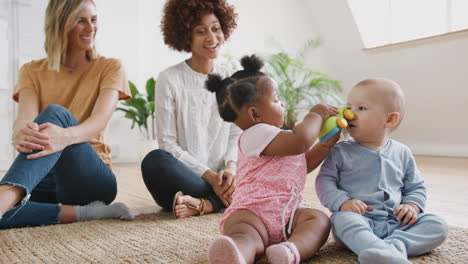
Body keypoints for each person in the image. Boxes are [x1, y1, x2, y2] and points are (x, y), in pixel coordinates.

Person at [0, 0, 133, 229]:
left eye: (93, 19)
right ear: (60, 24)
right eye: (80, 20)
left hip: (90, 179)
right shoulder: (31, 71)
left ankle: (5, 197)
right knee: (7, 213)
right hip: (43, 181)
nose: (91, 28)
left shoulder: (110, 67)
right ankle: (82, 213)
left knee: (55, 113)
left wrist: (65, 136)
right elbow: (25, 118)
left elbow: (99, 120)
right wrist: (19, 133)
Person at [206, 55, 337, 264]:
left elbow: (301, 164)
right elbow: (301, 141)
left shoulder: (278, 138)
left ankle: (290, 251)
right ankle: (238, 255)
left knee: (319, 220)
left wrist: (325, 145)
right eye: (276, 100)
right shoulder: (254, 135)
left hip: (288, 216)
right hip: (251, 214)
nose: (282, 103)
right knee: (244, 235)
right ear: (255, 115)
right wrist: (315, 114)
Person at [315, 78, 448, 264]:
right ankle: (378, 248)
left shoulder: (403, 152)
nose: (349, 114)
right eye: (348, 107)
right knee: (341, 221)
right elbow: (324, 181)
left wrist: (411, 205)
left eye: (361, 108)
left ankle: (392, 248)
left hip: (397, 222)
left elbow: (415, 186)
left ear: (390, 119)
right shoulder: (340, 151)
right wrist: (343, 203)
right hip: (359, 218)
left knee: (438, 225)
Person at [141, 0, 241, 218]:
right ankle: (221, 199)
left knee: (260, 156)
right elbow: (168, 144)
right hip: (187, 177)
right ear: (185, 35)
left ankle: (207, 204)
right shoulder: (169, 79)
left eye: (216, 28)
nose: (212, 38)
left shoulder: (232, 77)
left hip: (225, 176)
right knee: (154, 162)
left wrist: (231, 168)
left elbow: (236, 133)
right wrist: (211, 177)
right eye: (201, 31)